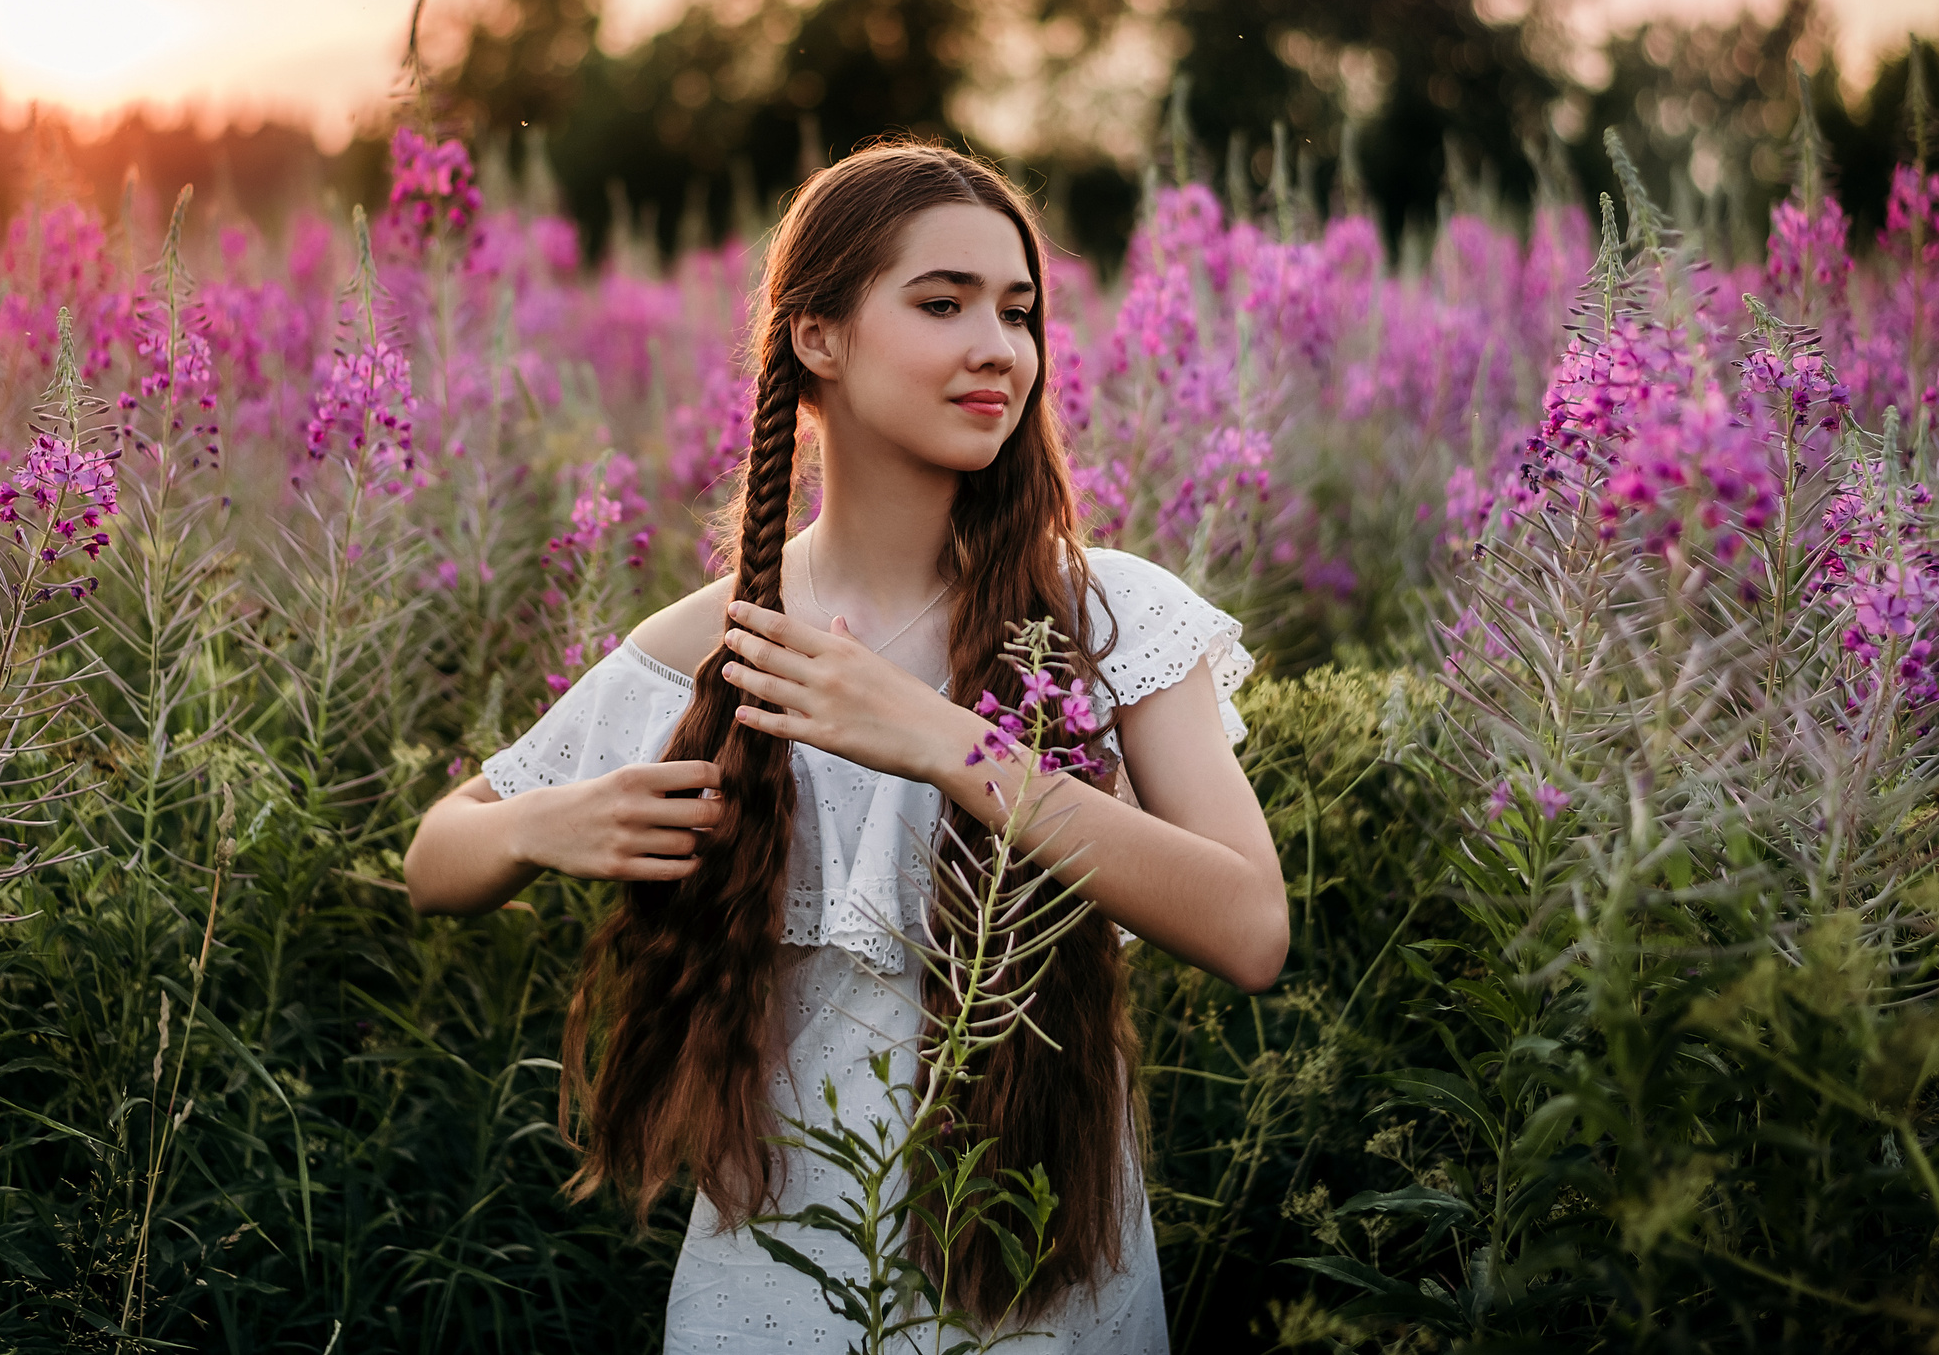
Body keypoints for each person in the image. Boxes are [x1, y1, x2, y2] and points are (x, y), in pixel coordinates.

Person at [403, 142, 1288, 1352]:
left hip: (1039, 1277)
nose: (998, 346)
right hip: (776, 1286)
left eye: (1018, 311)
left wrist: (946, 741)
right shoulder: (730, 635)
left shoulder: (1108, 615)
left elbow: (1248, 928)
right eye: (942, 302)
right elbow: (435, 856)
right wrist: (537, 824)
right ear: (816, 335)